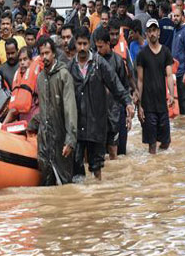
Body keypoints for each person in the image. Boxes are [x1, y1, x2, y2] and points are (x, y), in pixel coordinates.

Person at [69, 28, 134, 180]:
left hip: (96, 124)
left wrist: (128, 103)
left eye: (85, 43)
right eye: (79, 44)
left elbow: (116, 85)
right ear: (76, 44)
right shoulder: (70, 67)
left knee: (97, 167)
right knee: (77, 168)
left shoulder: (100, 64)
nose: (83, 48)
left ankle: (99, 195)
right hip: (77, 125)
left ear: (89, 43)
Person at [27, 36, 77, 186]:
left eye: (47, 53)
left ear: (54, 53)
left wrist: (70, 140)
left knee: (65, 185)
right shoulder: (40, 78)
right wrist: (31, 125)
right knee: (47, 186)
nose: (44, 57)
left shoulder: (64, 76)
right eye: (41, 54)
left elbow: (70, 110)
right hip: (45, 140)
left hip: (61, 138)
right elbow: (43, 109)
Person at [136, 20, 175, 154]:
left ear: (158, 32)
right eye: (150, 31)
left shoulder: (165, 52)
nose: (152, 33)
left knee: (166, 141)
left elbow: (169, 75)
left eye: (154, 30)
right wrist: (139, 105)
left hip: (162, 104)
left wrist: (171, 94)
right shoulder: (142, 54)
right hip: (148, 106)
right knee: (152, 145)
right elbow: (140, 80)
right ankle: (152, 171)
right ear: (146, 33)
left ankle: (161, 167)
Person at [94, 28, 130, 160]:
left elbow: (124, 88)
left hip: (116, 112)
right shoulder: (94, 61)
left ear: (108, 44)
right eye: (96, 47)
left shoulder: (118, 61)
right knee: (99, 155)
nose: (98, 50)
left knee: (118, 153)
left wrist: (127, 114)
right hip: (99, 113)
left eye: (101, 47)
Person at [170, 5, 185, 115]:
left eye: (177, 16)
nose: (175, 18)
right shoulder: (176, 31)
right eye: (173, 16)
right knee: (179, 105)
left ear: (183, 17)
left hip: (184, 74)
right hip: (176, 74)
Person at [0, 15, 26, 91]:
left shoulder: (20, 40)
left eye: (7, 24)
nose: (5, 26)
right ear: (0, 26)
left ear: (11, 26)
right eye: (3, 24)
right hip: (6, 84)